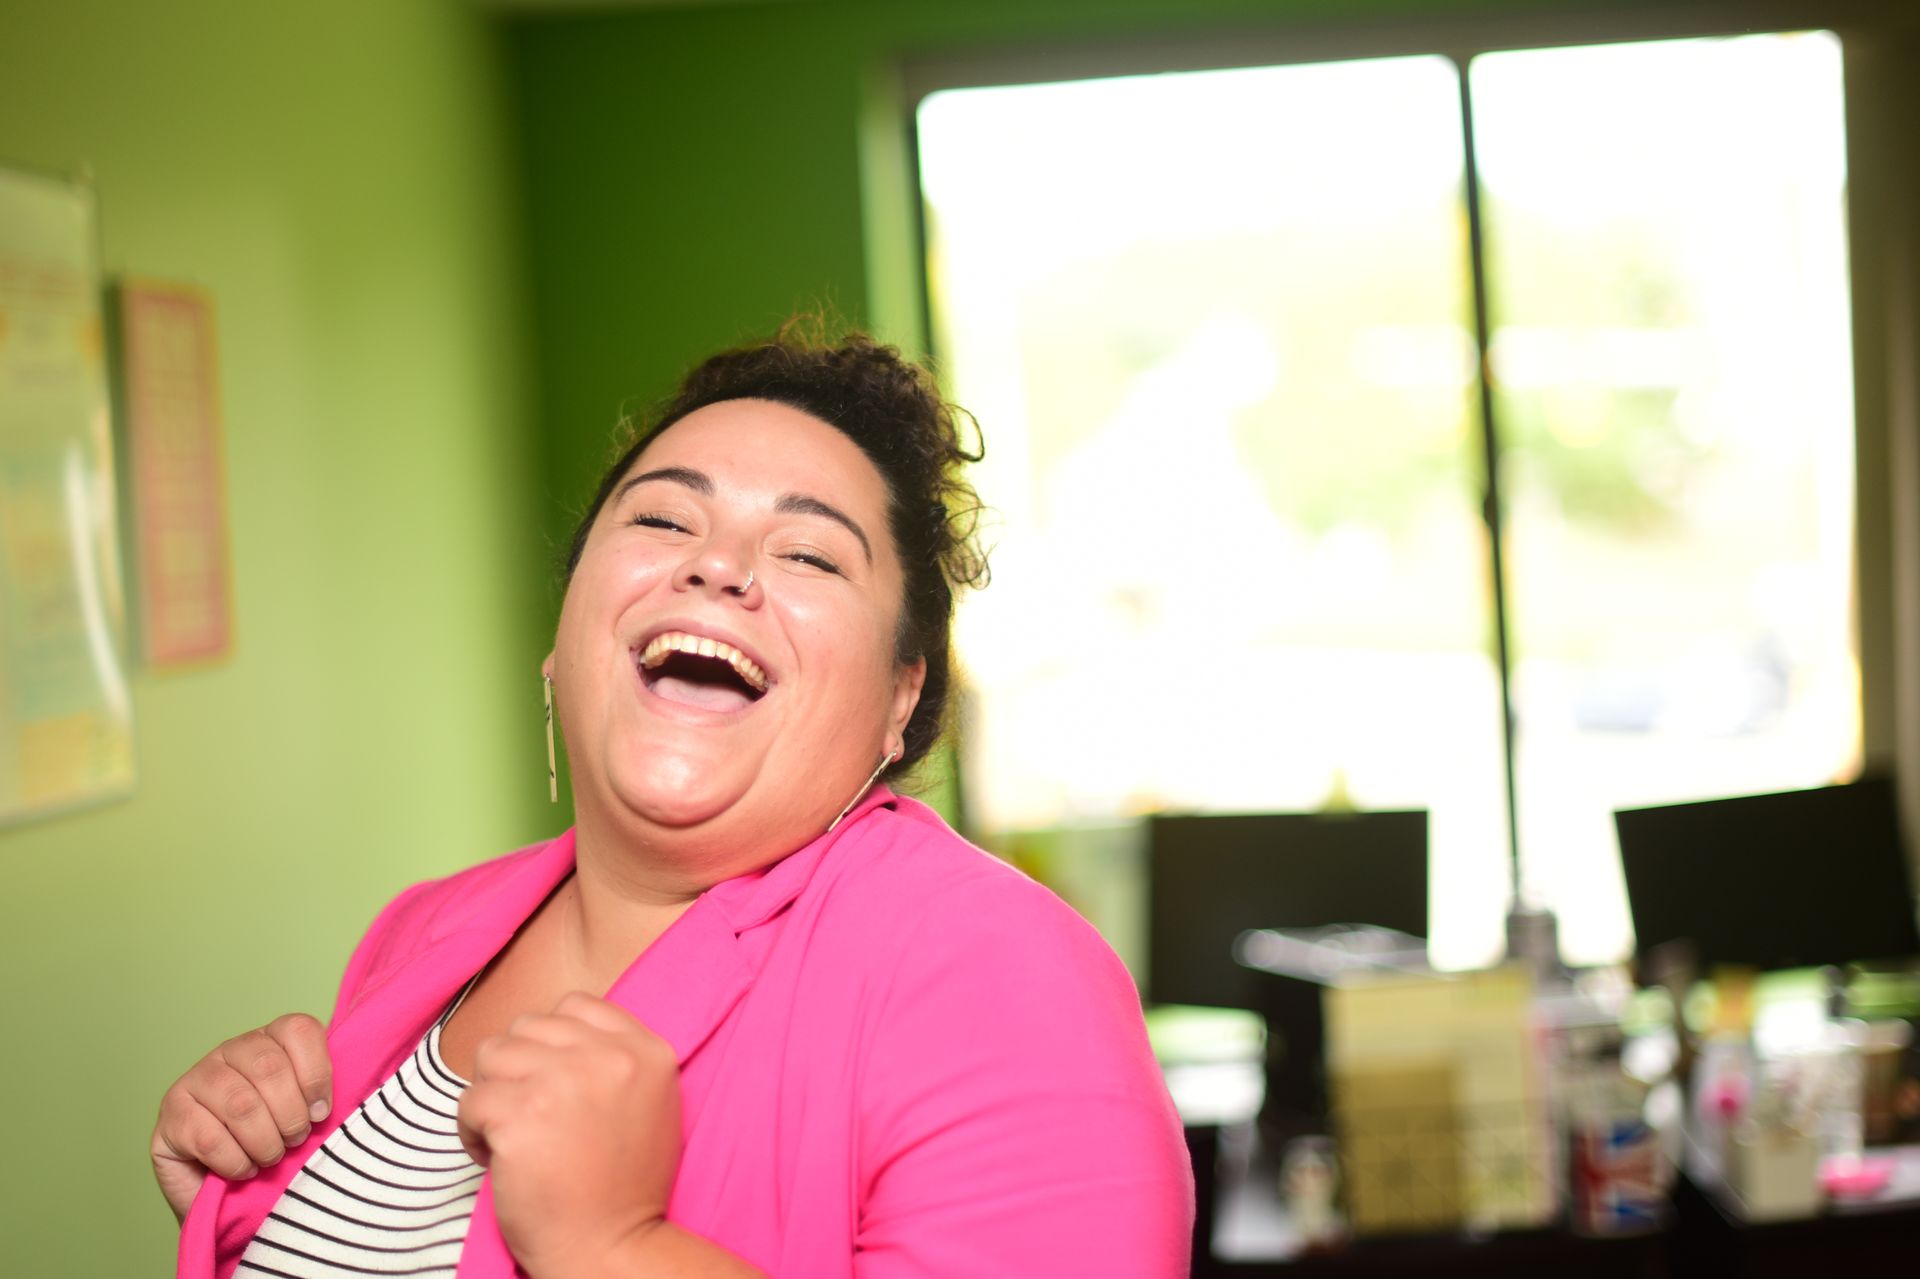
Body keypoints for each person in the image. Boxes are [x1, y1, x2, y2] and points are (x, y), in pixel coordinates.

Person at [154, 328, 1194, 1278]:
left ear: (899, 698)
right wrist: (241, 1191)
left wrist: (613, 1245)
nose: (717, 565)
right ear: (565, 636)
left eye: (807, 553)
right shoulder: (421, 931)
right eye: (661, 516)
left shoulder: (999, 969)